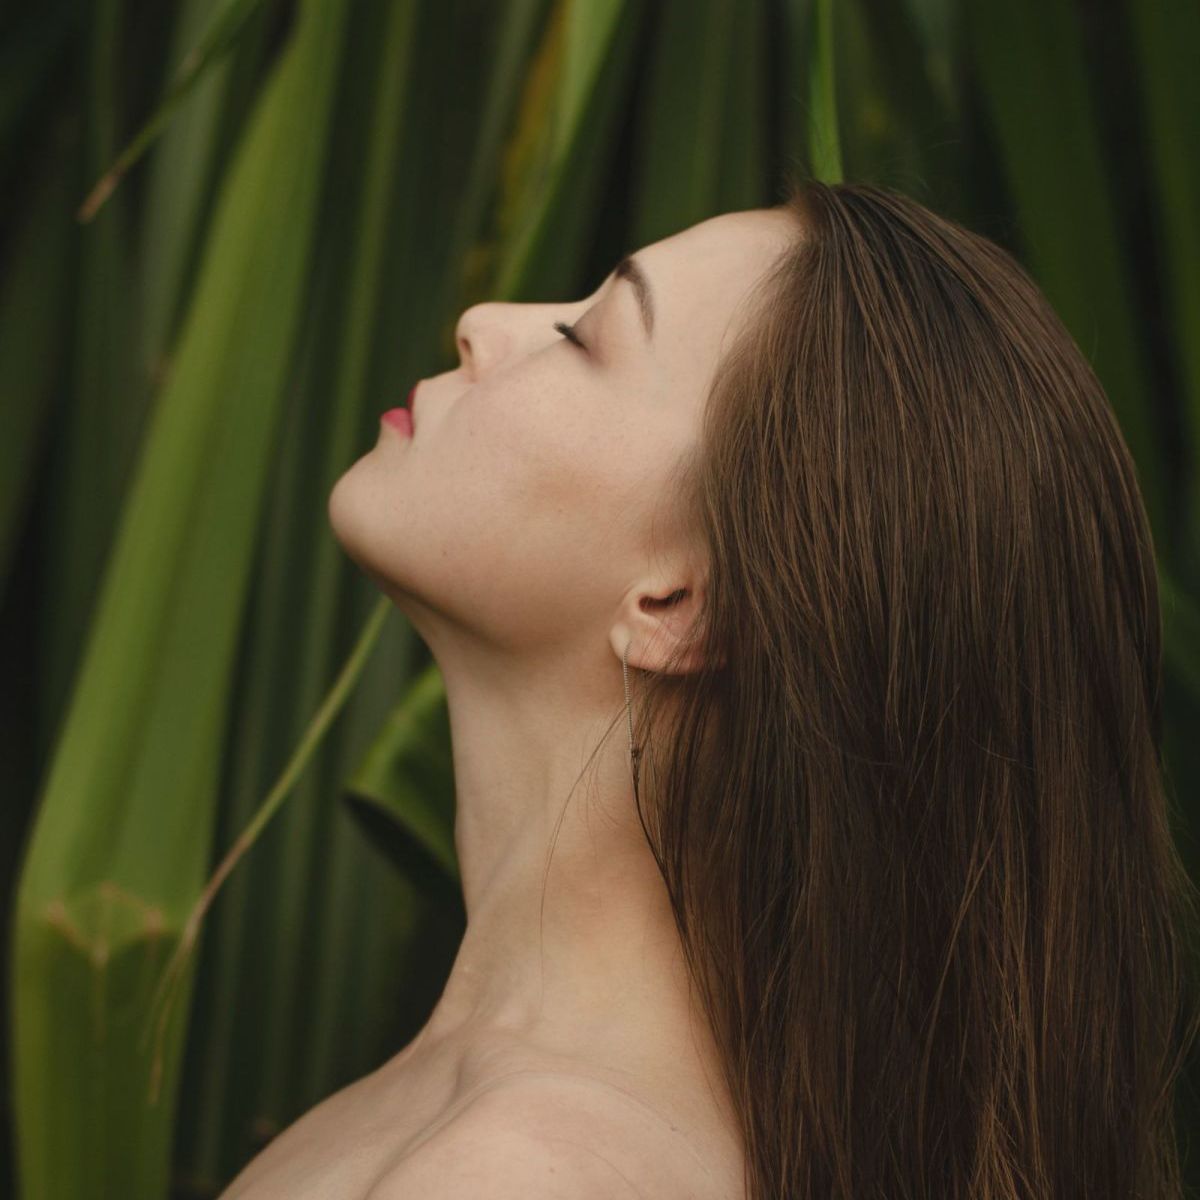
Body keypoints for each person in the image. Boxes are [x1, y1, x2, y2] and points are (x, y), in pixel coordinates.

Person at [226, 180, 1200, 1199]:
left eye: (585, 336)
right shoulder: (452, 1124)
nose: (482, 324)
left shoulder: (522, 1170)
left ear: (680, 605)